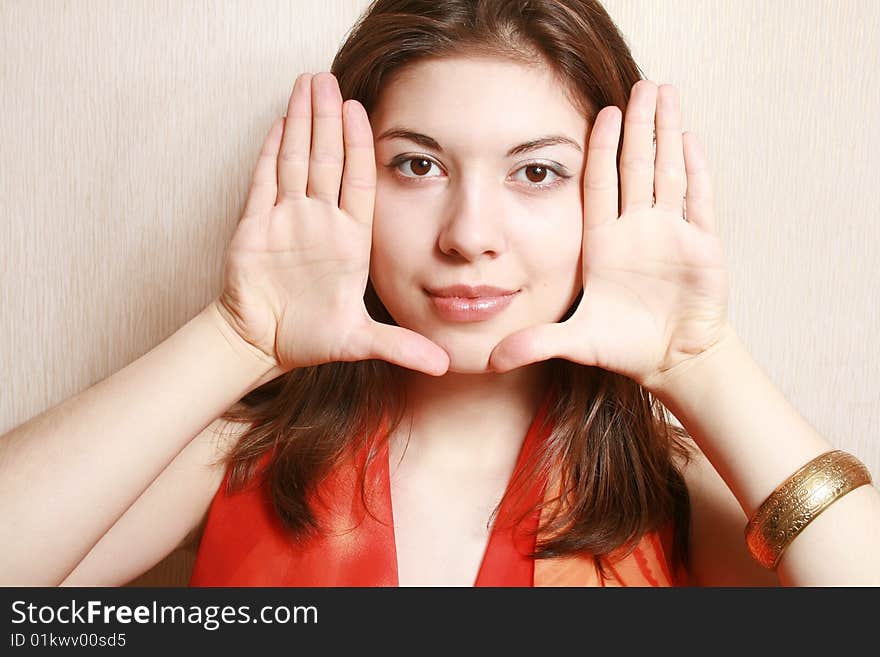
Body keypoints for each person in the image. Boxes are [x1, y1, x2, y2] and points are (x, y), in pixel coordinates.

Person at [1, 0, 878, 587]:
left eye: (537, 172)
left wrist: (703, 360)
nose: (468, 233)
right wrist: (236, 335)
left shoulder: (674, 488)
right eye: (417, 165)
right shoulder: (240, 458)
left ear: (608, 196)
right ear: (349, 177)